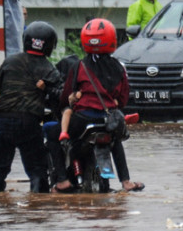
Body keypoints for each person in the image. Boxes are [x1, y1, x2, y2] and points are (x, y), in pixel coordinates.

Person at [50, 18, 144, 193]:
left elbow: (65, 96)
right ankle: (126, 182)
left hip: (82, 120)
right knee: (115, 141)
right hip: (107, 120)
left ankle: (62, 181)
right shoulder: (120, 67)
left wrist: (68, 102)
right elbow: (123, 99)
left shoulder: (79, 66)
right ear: (112, 40)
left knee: (52, 133)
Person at [0, 21, 64, 193]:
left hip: (2, 120)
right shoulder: (49, 69)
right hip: (28, 122)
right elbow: (60, 96)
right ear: (50, 45)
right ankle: (37, 204)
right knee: (37, 171)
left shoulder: (10, 62)